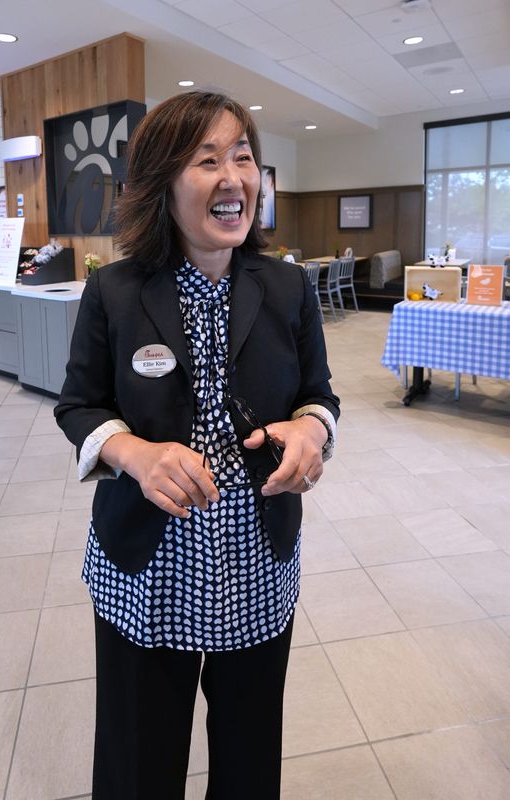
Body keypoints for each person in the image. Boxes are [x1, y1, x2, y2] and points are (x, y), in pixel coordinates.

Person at [54, 90, 339, 800]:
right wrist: (134, 453)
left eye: (243, 156)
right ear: (160, 183)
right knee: (138, 758)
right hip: (146, 567)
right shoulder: (115, 292)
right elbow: (79, 406)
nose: (233, 177)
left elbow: (321, 396)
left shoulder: (286, 288)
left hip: (256, 560)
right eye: (207, 159)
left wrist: (310, 430)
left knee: (248, 756)